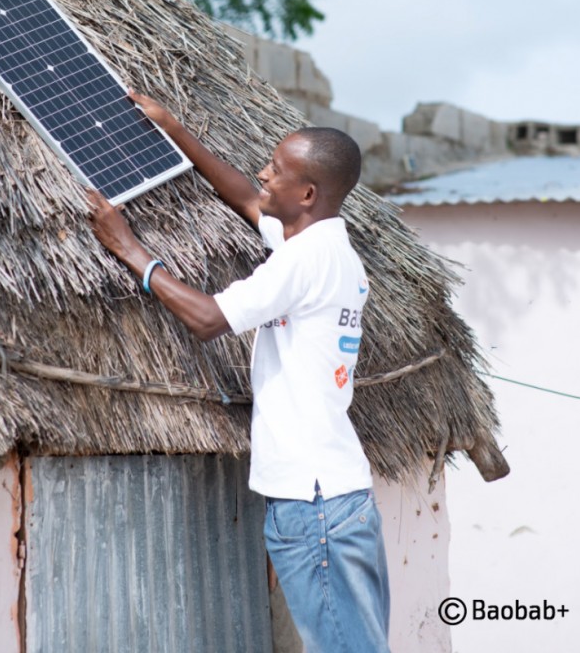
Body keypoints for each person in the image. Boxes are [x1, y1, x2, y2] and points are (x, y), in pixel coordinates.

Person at [87, 89, 391, 653]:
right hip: (338, 496)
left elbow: (207, 318)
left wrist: (129, 248)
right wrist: (173, 127)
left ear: (307, 193)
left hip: (313, 504)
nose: (264, 173)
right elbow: (248, 199)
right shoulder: (325, 243)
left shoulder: (303, 262)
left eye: (277, 170)